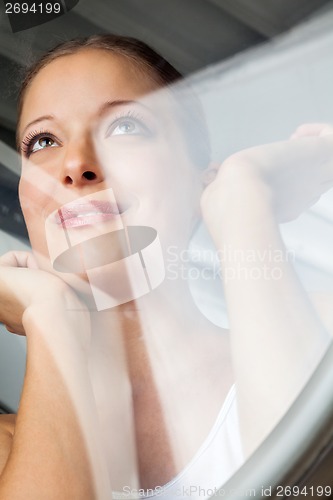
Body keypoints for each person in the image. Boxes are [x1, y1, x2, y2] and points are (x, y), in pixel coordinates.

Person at [0, 34, 332, 499]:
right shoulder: (9, 452)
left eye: (124, 127)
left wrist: (243, 203)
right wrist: (50, 315)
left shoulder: (322, 336)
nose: (75, 165)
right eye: (43, 141)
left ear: (202, 181)